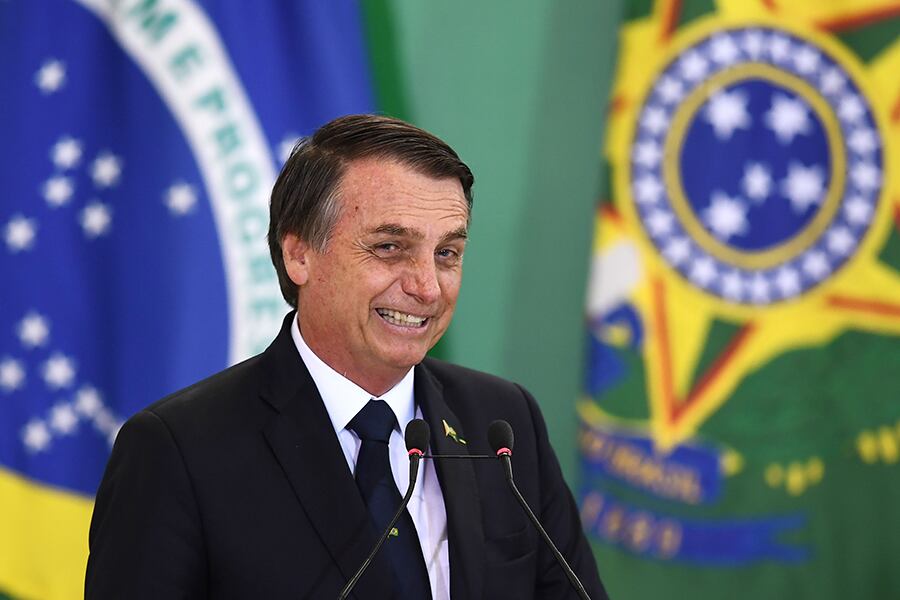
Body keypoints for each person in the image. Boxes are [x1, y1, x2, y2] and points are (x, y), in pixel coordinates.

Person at [85, 114, 609, 599]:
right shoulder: (179, 450)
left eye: (446, 254)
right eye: (389, 247)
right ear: (299, 254)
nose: (427, 287)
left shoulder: (503, 423)